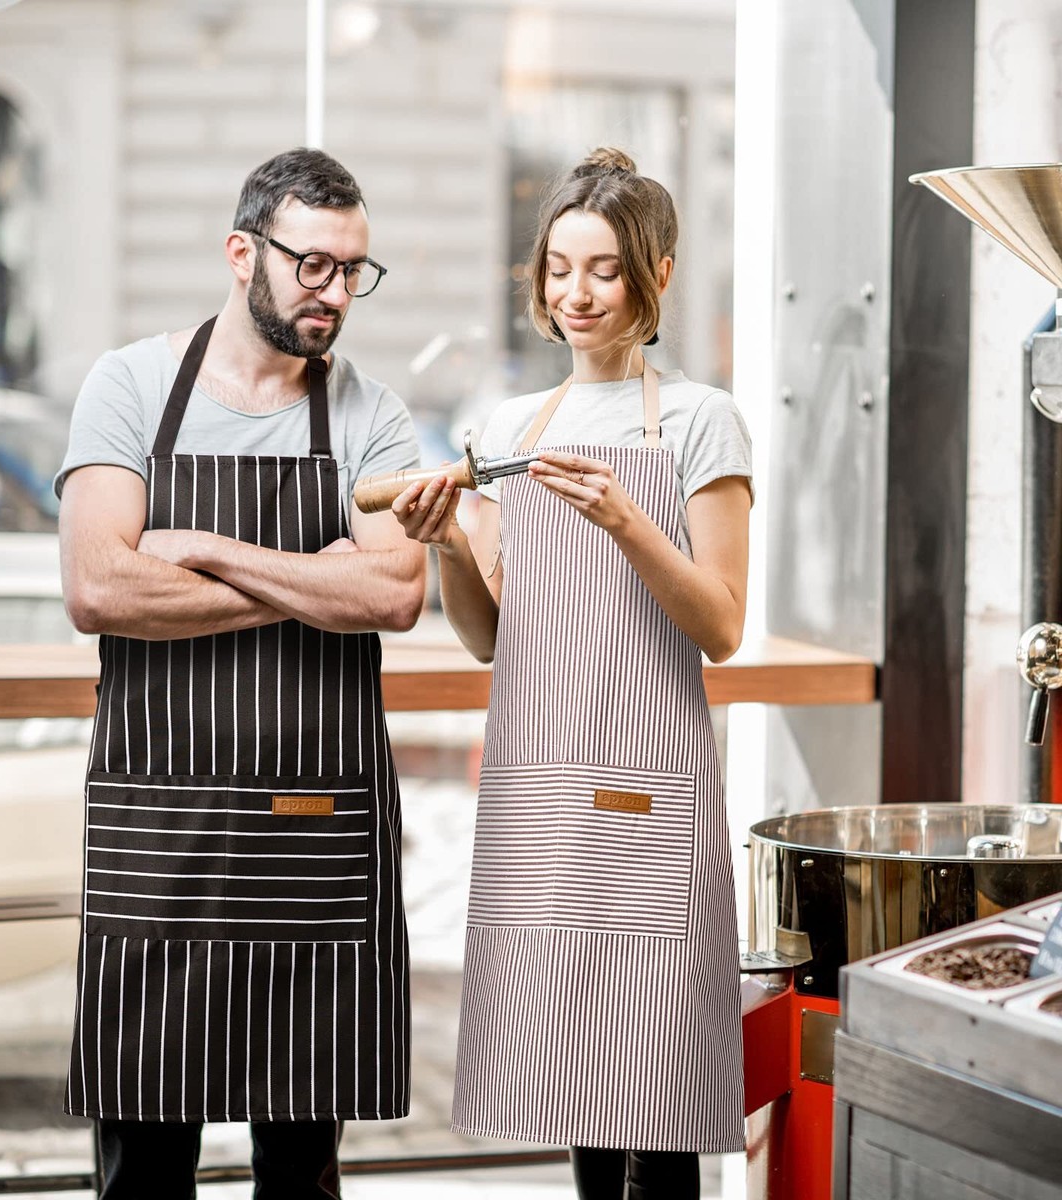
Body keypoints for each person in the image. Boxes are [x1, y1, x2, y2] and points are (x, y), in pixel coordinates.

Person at [55, 147, 425, 1199]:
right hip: (158, 831)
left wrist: (207, 549)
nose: (336, 293)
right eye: (314, 266)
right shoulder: (128, 385)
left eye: (355, 270)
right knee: (144, 1172)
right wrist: (318, 575)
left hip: (316, 834)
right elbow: (99, 588)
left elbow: (395, 595)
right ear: (241, 252)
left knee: (300, 1172)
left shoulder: (370, 411)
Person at [393, 148, 751, 1199]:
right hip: (543, 784)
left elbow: (721, 625)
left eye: (602, 270)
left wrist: (627, 521)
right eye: (558, 268)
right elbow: (491, 641)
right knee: (571, 1085)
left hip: (647, 786)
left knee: (661, 1089)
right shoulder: (511, 431)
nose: (576, 294)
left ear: (659, 277)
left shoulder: (698, 420)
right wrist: (446, 541)